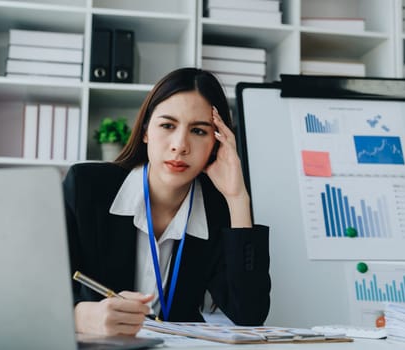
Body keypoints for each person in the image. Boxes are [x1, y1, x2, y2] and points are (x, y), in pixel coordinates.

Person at [63, 67, 270, 336]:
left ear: (216, 143)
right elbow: (38, 292)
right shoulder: (86, 187)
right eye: (168, 125)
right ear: (146, 130)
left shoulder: (218, 208)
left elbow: (249, 315)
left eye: (198, 131)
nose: (180, 145)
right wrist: (78, 316)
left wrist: (237, 198)